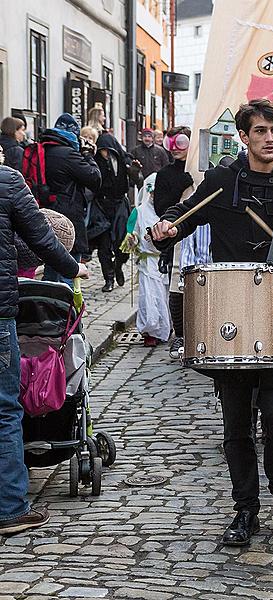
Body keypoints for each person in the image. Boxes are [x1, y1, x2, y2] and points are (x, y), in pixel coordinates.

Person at [151, 98, 273, 546]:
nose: (268, 139)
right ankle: (245, 509)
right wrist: (165, 227)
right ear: (244, 137)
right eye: (259, 132)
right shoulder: (222, 182)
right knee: (236, 424)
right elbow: (183, 217)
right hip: (230, 323)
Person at [0, 164, 89, 535]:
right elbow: (42, 237)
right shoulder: (6, 179)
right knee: (5, 408)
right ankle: (10, 509)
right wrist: (73, 268)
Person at [153, 126, 209, 359]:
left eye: (181, 143)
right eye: (172, 144)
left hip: (206, 231)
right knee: (178, 280)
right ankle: (181, 334)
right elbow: (161, 206)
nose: (176, 149)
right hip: (180, 232)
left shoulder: (204, 168)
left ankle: (205, 332)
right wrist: (179, 185)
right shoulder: (165, 174)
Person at [40, 114, 102, 285]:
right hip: (67, 219)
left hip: (44, 214)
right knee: (67, 270)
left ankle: (47, 307)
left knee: (51, 268)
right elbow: (95, 178)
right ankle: (65, 309)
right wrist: (88, 155)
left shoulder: (43, 149)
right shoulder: (68, 154)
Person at [90, 128, 142, 291]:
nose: (105, 154)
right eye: (102, 151)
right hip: (101, 207)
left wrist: (134, 172)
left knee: (124, 243)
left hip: (119, 205)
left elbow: (137, 180)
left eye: (107, 150)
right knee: (104, 245)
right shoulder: (95, 161)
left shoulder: (124, 160)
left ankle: (118, 265)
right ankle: (109, 278)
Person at [122, 174, 170, 346]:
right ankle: (150, 330)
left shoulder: (168, 210)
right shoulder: (139, 212)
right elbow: (131, 234)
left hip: (165, 262)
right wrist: (132, 239)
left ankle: (163, 328)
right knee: (149, 297)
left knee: (164, 297)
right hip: (148, 263)